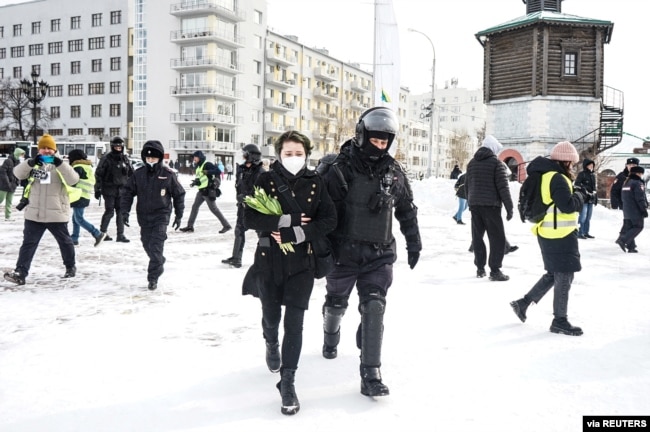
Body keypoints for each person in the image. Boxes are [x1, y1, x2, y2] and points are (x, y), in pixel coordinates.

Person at [319, 107, 422, 398]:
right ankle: (330, 333)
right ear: (362, 135)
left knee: (375, 306)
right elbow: (318, 212)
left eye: (384, 142)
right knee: (337, 303)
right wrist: (316, 246)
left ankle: (371, 374)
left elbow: (406, 210)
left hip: (378, 254)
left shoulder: (394, 172)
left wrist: (414, 243)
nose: (379, 146)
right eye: (375, 140)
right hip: (342, 254)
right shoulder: (336, 168)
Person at [241, 130, 336, 415]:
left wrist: (298, 233)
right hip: (268, 260)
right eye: (287, 153)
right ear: (279, 154)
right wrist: (288, 218)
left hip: (301, 263)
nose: (293, 158)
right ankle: (271, 343)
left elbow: (329, 220)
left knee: (294, 322)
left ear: (307, 155)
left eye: (299, 153)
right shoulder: (264, 179)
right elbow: (249, 217)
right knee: (271, 316)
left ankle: (288, 381)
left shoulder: (316, 182)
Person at [510, 141, 586, 336]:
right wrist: (580, 195)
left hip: (548, 230)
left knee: (554, 273)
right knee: (565, 274)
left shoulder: (546, 175)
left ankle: (523, 303)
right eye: (572, 162)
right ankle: (559, 320)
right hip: (560, 233)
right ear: (566, 161)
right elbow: (567, 206)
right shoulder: (558, 178)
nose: (573, 165)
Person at [3, 135, 79, 285]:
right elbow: (17, 173)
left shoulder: (61, 165)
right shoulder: (33, 164)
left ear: (54, 149)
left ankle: (70, 266)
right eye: (43, 148)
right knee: (28, 244)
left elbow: (74, 179)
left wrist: (60, 164)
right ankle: (20, 273)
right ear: (39, 150)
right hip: (34, 214)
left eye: (49, 148)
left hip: (56, 213)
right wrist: (30, 163)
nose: (46, 151)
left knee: (65, 242)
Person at [120, 140, 185, 290]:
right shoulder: (138, 174)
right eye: (148, 158)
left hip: (161, 215)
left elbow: (179, 194)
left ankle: (153, 277)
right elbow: (128, 193)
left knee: (156, 245)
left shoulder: (168, 174)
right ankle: (159, 260)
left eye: (154, 158)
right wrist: (125, 212)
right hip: (143, 216)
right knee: (147, 244)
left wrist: (178, 215)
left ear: (160, 158)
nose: (150, 161)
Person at [464, 135, 513, 281]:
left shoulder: (471, 163)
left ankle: (480, 268)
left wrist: (470, 202)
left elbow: (467, 185)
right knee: (497, 238)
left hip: (475, 206)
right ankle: (495, 270)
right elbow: (503, 188)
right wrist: (509, 208)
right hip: (491, 206)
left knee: (477, 237)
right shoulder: (497, 164)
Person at [222, 144, 265, 268]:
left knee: (262, 233)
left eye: (245, 154)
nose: (243, 156)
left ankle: (266, 258)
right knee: (239, 230)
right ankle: (236, 258)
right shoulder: (242, 169)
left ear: (251, 156)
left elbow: (262, 192)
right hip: (243, 207)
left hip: (257, 208)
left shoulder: (260, 172)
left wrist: (247, 198)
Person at [178, 151, 231, 234]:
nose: (193, 159)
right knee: (194, 207)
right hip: (201, 191)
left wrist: (208, 172)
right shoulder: (198, 167)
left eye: (195, 157)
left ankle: (226, 225)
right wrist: (195, 182)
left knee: (214, 209)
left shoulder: (207, 164)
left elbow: (218, 171)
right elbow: (202, 178)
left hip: (208, 191)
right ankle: (190, 226)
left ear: (199, 157)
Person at [94, 136, 133, 242]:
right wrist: (97, 189)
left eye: (120, 146)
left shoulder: (125, 158)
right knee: (110, 211)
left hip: (122, 190)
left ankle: (120, 235)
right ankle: (102, 233)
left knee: (120, 212)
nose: (118, 148)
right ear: (112, 147)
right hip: (109, 189)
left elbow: (131, 174)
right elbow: (98, 174)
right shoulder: (106, 158)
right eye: (116, 146)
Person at [68, 149, 106, 247]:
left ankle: (97, 233)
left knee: (79, 218)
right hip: (85, 195)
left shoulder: (77, 167)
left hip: (78, 195)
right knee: (75, 218)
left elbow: (72, 181)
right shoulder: (87, 166)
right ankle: (74, 238)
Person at [615, 166, 648, 253]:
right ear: (638, 173)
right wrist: (643, 209)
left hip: (627, 209)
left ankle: (631, 247)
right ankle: (623, 240)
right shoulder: (637, 183)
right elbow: (640, 198)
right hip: (635, 209)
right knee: (638, 226)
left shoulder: (626, 182)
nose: (641, 175)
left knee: (630, 227)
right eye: (641, 174)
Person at [574, 158, 597, 239]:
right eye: (590, 165)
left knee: (588, 217)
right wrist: (584, 189)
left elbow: (594, 188)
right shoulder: (582, 174)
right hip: (584, 198)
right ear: (586, 166)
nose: (591, 166)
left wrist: (595, 198)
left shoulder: (593, 175)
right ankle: (580, 232)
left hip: (591, 199)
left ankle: (586, 232)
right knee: (582, 216)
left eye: (592, 165)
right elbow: (577, 184)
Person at [0, 147, 25, 221]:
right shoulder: (8, 161)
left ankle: (8, 217)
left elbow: (19, 173)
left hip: (13, 185)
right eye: (21, 154)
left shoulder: (18, 162)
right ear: (17, 153)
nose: (21, 156)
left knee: (9, 202)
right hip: (4, 186)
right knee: (0, 200)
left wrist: (17, 182)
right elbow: (2, 172)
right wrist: (7, 183)